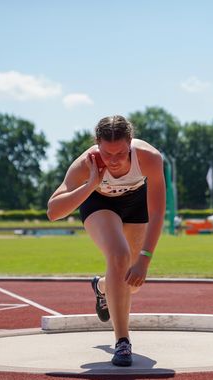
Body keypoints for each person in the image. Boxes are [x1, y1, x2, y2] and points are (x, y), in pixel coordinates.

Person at [47, 115, 166, 367]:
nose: (113, 161)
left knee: (131, 283)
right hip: (98, 201)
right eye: (106, 153)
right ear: (97, 144)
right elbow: (53, 211)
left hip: (135, 203)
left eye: (120, 153)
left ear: (130, 143)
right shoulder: (86, 162)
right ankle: (122, 342)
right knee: (119, 256)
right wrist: (91, 183)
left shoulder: (150, 158)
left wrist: (144, 259)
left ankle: (102, 287)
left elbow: (157, 213)